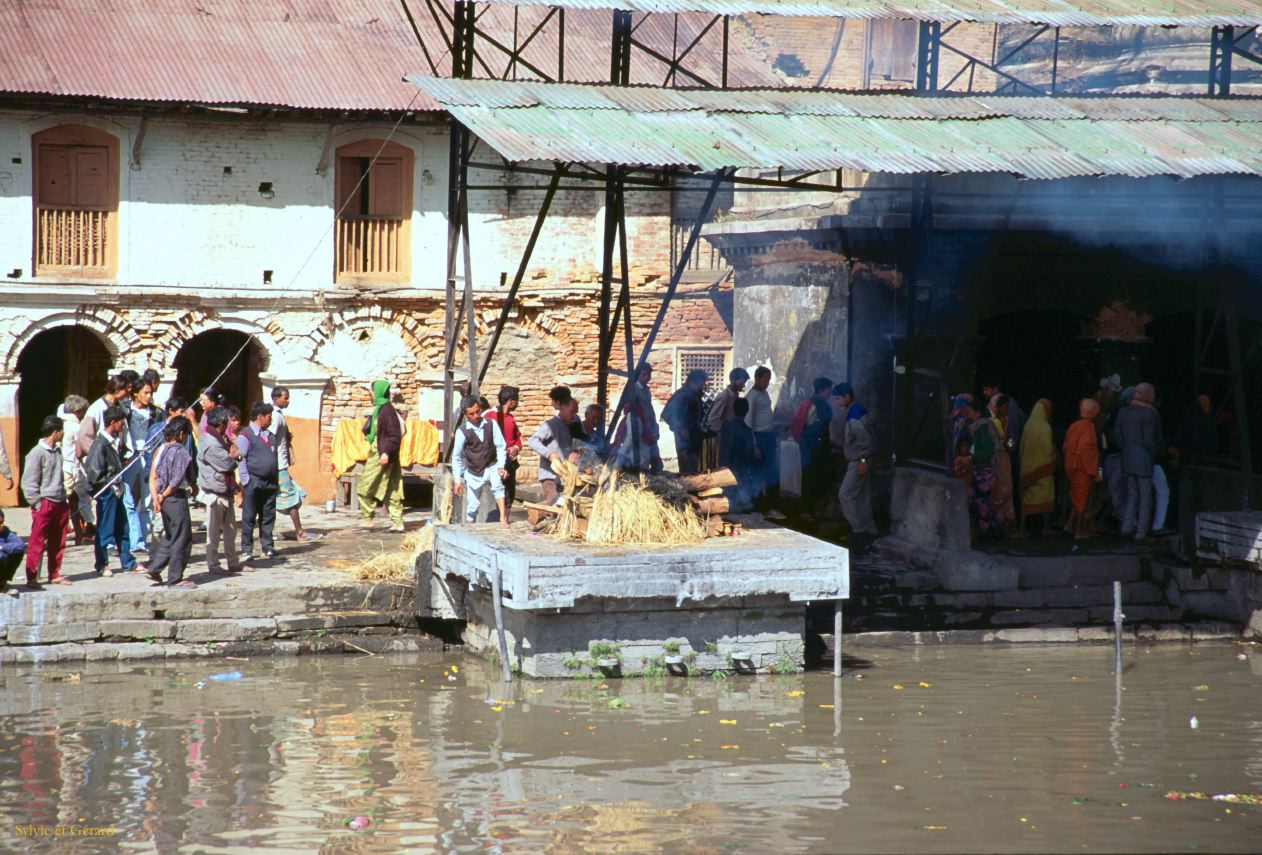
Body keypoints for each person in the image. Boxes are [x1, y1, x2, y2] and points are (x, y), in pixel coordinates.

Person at [84, 406, 143, 577]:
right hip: (107, 492)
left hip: (117, 491)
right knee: (105, 529)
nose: (123, 426)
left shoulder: (114, 442)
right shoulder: (100, 445)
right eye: (121, 422)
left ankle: (128, 562)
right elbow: (94, 472)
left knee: (122, 527)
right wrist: (111, 482)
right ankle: (102, 564)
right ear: (112, 422)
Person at [145, 420, 196, 588]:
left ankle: (154, 568)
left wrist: (156, 497)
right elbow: (175, 481)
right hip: (175, 498)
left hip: (162, 498)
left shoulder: (160, 450)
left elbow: (152, 477)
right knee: (182, 536)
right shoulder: (180, 452)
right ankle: (175, 578)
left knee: (170, 535)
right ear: (181, 434)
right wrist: (163, 495)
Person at [21, 415, 71, 587]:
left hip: (60, 501)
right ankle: (32, 576)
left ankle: (54, 573)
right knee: (37, 541)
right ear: (55, 432)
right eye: (61, 430)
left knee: (59, 541)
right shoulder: (36, 453)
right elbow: (29, 481)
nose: (63, 433)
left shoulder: (57, 451)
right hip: (45, 503)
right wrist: (37, 503)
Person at [1113, 382, 1165, 541]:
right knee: (1145, 497)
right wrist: (1155, 452)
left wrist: (1127, 449)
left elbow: (1117, 435)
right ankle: (1141, 533)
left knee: (1132, 494)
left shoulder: (1123, 411)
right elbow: (1149, 441)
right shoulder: (1150, 414)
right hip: (1143, 460)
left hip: (1127, 458)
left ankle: (1126, 527)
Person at [270, 387, 321, 543]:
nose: (288, 400)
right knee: (291, 497)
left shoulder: (279, 415)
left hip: (280, 464)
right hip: (277, 465)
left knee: (276, 498)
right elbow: (270, 440)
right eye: (285, 398)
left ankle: (268, 533)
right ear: (276, 398)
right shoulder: (275, 417)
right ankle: (300, 532)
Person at [197, 406, 243, 576]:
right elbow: (227, 464)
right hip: (214, 492)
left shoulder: (217, 439)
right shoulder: (211, 443)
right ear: (222, 423)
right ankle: (213, 564)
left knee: (230, 531)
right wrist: (235, 456)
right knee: (213, 532)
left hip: (225, 491)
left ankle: (232, 561)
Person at [452, 395, 510, 527]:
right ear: (465, 414)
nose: (476, 416)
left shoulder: (491, 424)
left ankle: (503, 518)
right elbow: (456, 458)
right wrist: (457, 480)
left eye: (477, 411)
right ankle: (470, 524)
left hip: (491, 465)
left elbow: (501, 446)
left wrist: (501, 466)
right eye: (471, 414)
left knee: (498, 487)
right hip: (474, 470)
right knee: (473, 504)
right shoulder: (462, 432)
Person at [357, 380, 405, 532]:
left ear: (377, 392)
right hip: (388, 453)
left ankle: (368, 518)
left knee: (365, 485)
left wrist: (386, 452)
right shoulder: (381, 409)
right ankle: (397, 523)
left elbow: (394, 435)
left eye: (372, 391)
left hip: (382, 453)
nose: (371, 394)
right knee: (392, 487)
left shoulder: (386, 411)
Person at [237, 402, 281, 558]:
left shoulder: (271, 436)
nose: (270, 420)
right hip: (253, 481)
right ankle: (247, 549)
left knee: (268, 515)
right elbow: (241, 459)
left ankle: (267, 546)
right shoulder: (246, 435)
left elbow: (274, 458)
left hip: (269, 482)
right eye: (269, 417)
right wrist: (246, 480)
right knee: (249, 517)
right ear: (260, 417)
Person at [124, 378, 160, 554]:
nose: (149, 396)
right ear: (135, 393)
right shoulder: (125, 411)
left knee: (147, 500)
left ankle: (141, 540)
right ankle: (130, 538)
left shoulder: (155, 413)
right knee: (128, 499)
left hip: (148, 457)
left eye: (150, 393)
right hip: (130, 458)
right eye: (145, 392)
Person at [791, 377, 834, 519]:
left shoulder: (823, 405)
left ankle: (816, 509)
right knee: (809, 476)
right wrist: (804, 442)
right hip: (810, 447)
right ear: (821, 390)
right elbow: (797, 426)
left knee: (820, 477)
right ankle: (806, 510)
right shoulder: (808, 405)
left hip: (821, 447)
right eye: (829, 389)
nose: (830, 393)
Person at [839, 400, 879, 552]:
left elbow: (865, 442)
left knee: (845, 494)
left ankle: (859, 530)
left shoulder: (855, 416)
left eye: (838, 398)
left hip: (859, 460)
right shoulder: (856, 412)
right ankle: (870, 530)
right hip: (861, 460)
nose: (836, 402)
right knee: (863, 496)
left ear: (846, 397)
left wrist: (862, 460)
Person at [966, 397, 1007, 539]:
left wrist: (972, 457)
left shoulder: (982, 427)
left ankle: (993, 529)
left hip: (984, 472)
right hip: (982, 470)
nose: (968, 415)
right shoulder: (979, 426)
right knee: (981, 504)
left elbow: (988, 450)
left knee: (982, 504)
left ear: (977, 413)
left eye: (970, 412)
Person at [529, 397, 582, 504]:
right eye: (572, 411)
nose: (574, 415)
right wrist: (550, 454)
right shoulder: (552, 424)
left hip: (563, 477)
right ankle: (534, 511)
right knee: (553, 501)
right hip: (549, 477)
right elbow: (532, 441)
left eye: (576, 412)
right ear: (563, 408)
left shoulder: (568, 427)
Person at [1063, 398, 1103, 540]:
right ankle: (1078, 532)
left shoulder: (1074, 425)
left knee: (1076, 497)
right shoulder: (1089, 427)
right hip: (1083, 467)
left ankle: (1069, 525)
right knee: (1082, 500)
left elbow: (1066, 446)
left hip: (1071, 465)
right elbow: (1088, 450)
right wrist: (1095, 470)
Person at [612, 363, 662, 473]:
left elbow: (649, 407)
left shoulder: (646, 390)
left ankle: (645, 469)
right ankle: (617, 463)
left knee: (645, 445)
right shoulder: (633, 388)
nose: (646, 377)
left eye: (648, 375)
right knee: (631, 439)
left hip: (646, 420)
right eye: (644, 374)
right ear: (638, 374)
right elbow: (628, 406)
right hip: (635, 417)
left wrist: (653, 424)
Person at [1018, 399, 1056, 537]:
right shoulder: (1046, 428)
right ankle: (1045, 527)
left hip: (1028, 469)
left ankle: (1022, 527)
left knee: (1027, 497)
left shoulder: (1028, 426)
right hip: (1043, 470)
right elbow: (1047, 449)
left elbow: (1022, 446)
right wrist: (1052, 459)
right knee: (1046, 496)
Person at [58, 395, 91, 545]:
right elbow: (81, 448)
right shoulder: (74, 426)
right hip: (70, 467)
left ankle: (78, 533)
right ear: (77, 411)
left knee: (72, 501)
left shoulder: (60, 424)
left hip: (63, 465)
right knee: (69, 501)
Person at [744, 367, 778, 510]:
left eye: (769, 381)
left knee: (771, 471)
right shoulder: (752, 396)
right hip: (759, 438)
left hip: (768, 437)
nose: (767, 383)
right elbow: (748, 423)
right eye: (765, 380)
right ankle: (757, 505)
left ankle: (770, 504)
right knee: (758, 473)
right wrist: (754, 445)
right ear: (757, 378)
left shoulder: (764, 394)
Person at [662, 369, 708, 475]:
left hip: (694, 438)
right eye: (702, 383)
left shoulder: (695, 395)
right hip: (684, 442)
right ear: (693, 382)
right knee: (687, 470)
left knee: (694, 468)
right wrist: (681, 428)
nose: (703, 386)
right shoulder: (682, 395)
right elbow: (667, 414)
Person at [485, 386, 522, 510]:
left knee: (509, 495)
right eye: (516, 400)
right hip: (494, 463)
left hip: (509, 463)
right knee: (497, 493)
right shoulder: (489, 416)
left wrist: (516, 448)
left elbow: (517, 439)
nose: (517, 403)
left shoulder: (511, 419)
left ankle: (505, 520)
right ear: (511, 401)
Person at [718, 398, 756, 512]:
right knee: (740, 497)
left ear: (733, 410)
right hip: (741, 470)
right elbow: (750, 454)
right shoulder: (747, 431)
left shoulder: (725, 427)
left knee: (727, 496)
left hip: (724, 468)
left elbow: (721, 447)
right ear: (747, 411)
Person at [987, 394, 1016, 529]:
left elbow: (1007, 441)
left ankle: (1005, 523)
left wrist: (1010, 445)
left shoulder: (1005, 421)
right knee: (997, 491)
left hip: (1004, 461)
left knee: (1007, 490)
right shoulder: (990, 423)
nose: (1007, 409)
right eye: (1004, 406)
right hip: (996, 461)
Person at [706, 368, 749, 435]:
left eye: (744, 383)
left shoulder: (735, 395)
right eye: (742, 382)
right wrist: (726, 432)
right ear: (733, 380)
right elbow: (713, 419)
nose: (743, 385)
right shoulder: (724, 396)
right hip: (726, 439)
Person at [0, 509, 25, 598]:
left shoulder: (5, 531)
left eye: (2, 522)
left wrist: (2, 547)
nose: (1, 525)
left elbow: (20, 545)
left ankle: (2, 584)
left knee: (16, 553)